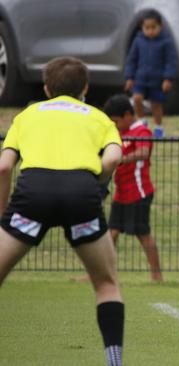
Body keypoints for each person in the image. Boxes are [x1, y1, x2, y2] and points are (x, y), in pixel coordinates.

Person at [0, 57, 124, 365]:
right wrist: (98, 187)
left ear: (46, 88)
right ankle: (115, 362)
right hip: (81, 195)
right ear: (85, 88)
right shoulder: (98, 117)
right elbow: (112, 159)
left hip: (32, 196)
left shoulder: (27, 115)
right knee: (106, 284)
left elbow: (3, 167)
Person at [103, 94, 163, 282]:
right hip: (121, 193)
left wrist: (121, 158)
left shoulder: (141, 131)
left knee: (142, 234)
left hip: (139, 192)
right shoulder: (119, 133)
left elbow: (144, 152)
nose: (116, 125)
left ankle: (157, 276)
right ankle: (101, 274)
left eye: (117, 121)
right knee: (111, 233)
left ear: (129, 115)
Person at [124, 9, 177, 138]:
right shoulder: (138, 41)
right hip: (140, 78)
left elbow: (170, 61)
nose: (150, 31)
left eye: (153, 27)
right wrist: (129, 77)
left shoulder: (166, 42)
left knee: (156, 104)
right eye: (147, 28)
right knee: (136, 98)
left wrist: (168, 78)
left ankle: (158, 127)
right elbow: (131, 60)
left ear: (160, 26)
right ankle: (142, 121)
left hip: (158, 80)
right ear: (142, 27)